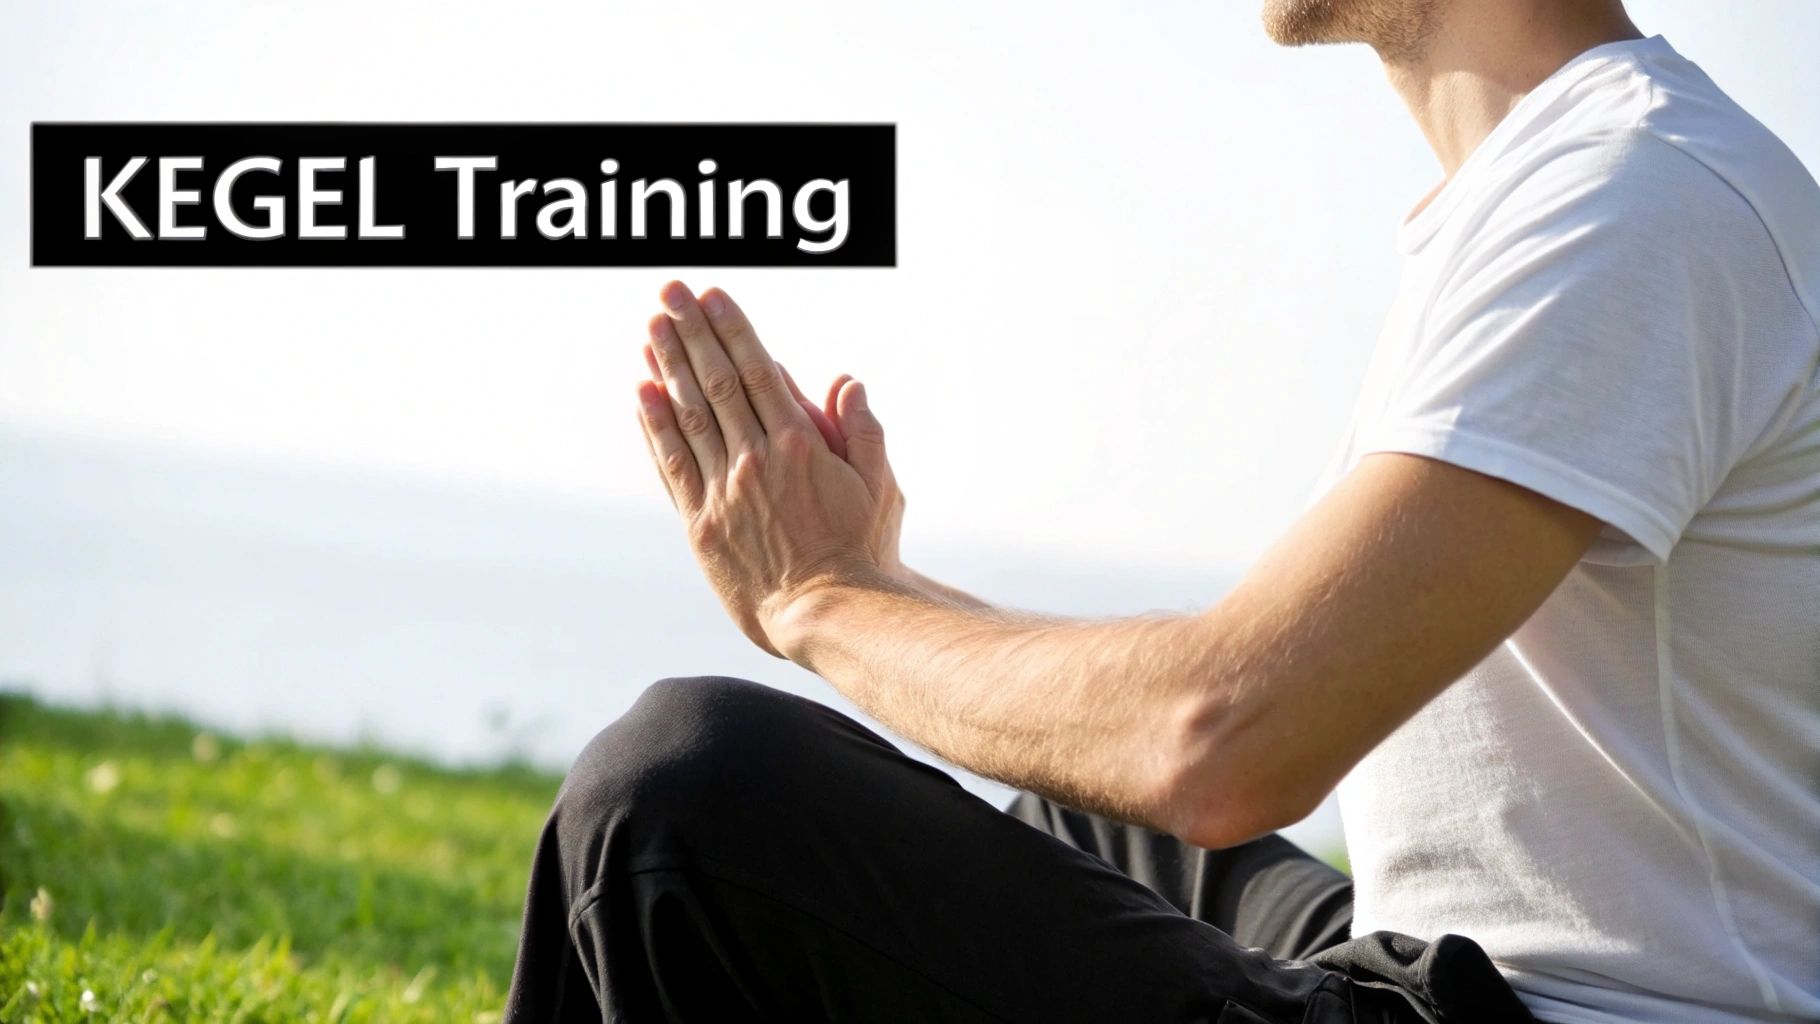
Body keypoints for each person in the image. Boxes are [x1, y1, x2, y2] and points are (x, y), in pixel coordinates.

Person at [503, 0, 1820, 1020]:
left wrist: (822, 602)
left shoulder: (1635, 200)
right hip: (1446, 967)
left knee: (676, 796)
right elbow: (1213, 729)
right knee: (1091, 819)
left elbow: (1223, 736)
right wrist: (875, 584)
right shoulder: (1573, 186)